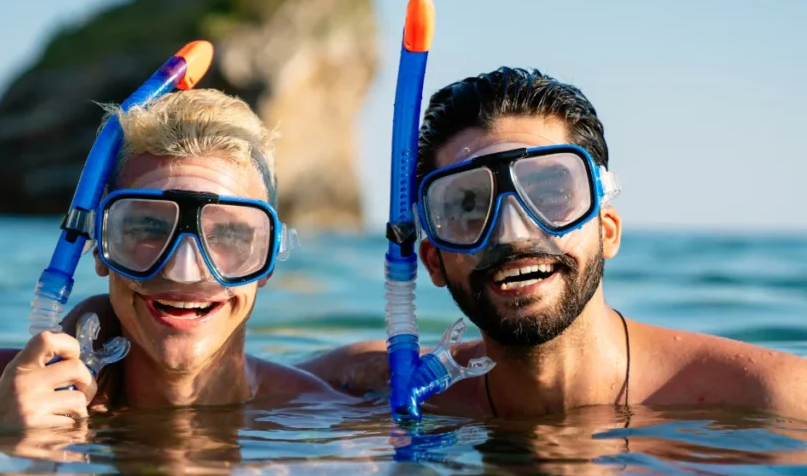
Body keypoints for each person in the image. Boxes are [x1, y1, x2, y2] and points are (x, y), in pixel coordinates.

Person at [297, 66, 807, 420]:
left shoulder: (770, 400)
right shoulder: (383, 387)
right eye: (468, 207)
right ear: (433, 260)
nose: (514, 232)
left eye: (550, 192)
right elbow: (234, 382)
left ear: (607, 230)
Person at [0, 88, 348, 428]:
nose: (185, 271)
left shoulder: (323, 415)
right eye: (149, 229)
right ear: (101, 245)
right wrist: (1, 442)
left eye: (227, 233)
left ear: (268, 257)